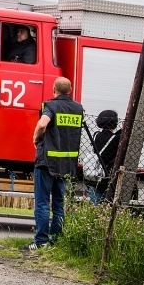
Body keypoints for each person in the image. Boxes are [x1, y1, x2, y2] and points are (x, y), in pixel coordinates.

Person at [26, 77, 84, 251]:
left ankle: (41, 241)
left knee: (43, 203)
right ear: (70, 89)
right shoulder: (78, 109)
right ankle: (56, 241)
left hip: (47, 163)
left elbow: (42, 124)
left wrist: (36, 138)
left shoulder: (51, 106)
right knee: (59, 204)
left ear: (54, 89)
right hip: (66, 164)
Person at [87, 110, 122, 204]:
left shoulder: (96, 135)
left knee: (94, 204)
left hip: (94, 174)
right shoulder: (116, 138)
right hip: (106, 176)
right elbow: (119, 135)